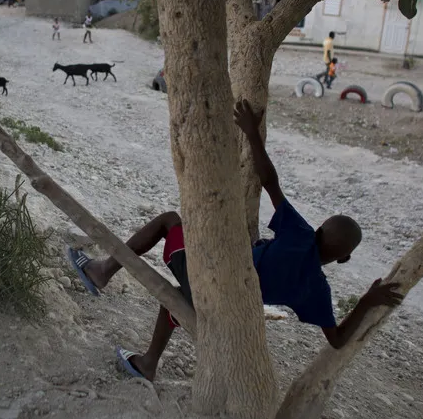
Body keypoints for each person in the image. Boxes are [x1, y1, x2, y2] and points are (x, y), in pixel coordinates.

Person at [66, 99, 404, 381]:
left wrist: (252, 133)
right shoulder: (317, 289)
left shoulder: (301, 234)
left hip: (210, 278)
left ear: (318, 231)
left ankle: (102, 271)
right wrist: (367, 301)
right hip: (228, 312)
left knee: (170, 222)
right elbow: (338, 339)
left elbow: (269, 181)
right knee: (181, 296)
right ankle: (148, 363)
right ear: (343, 259)